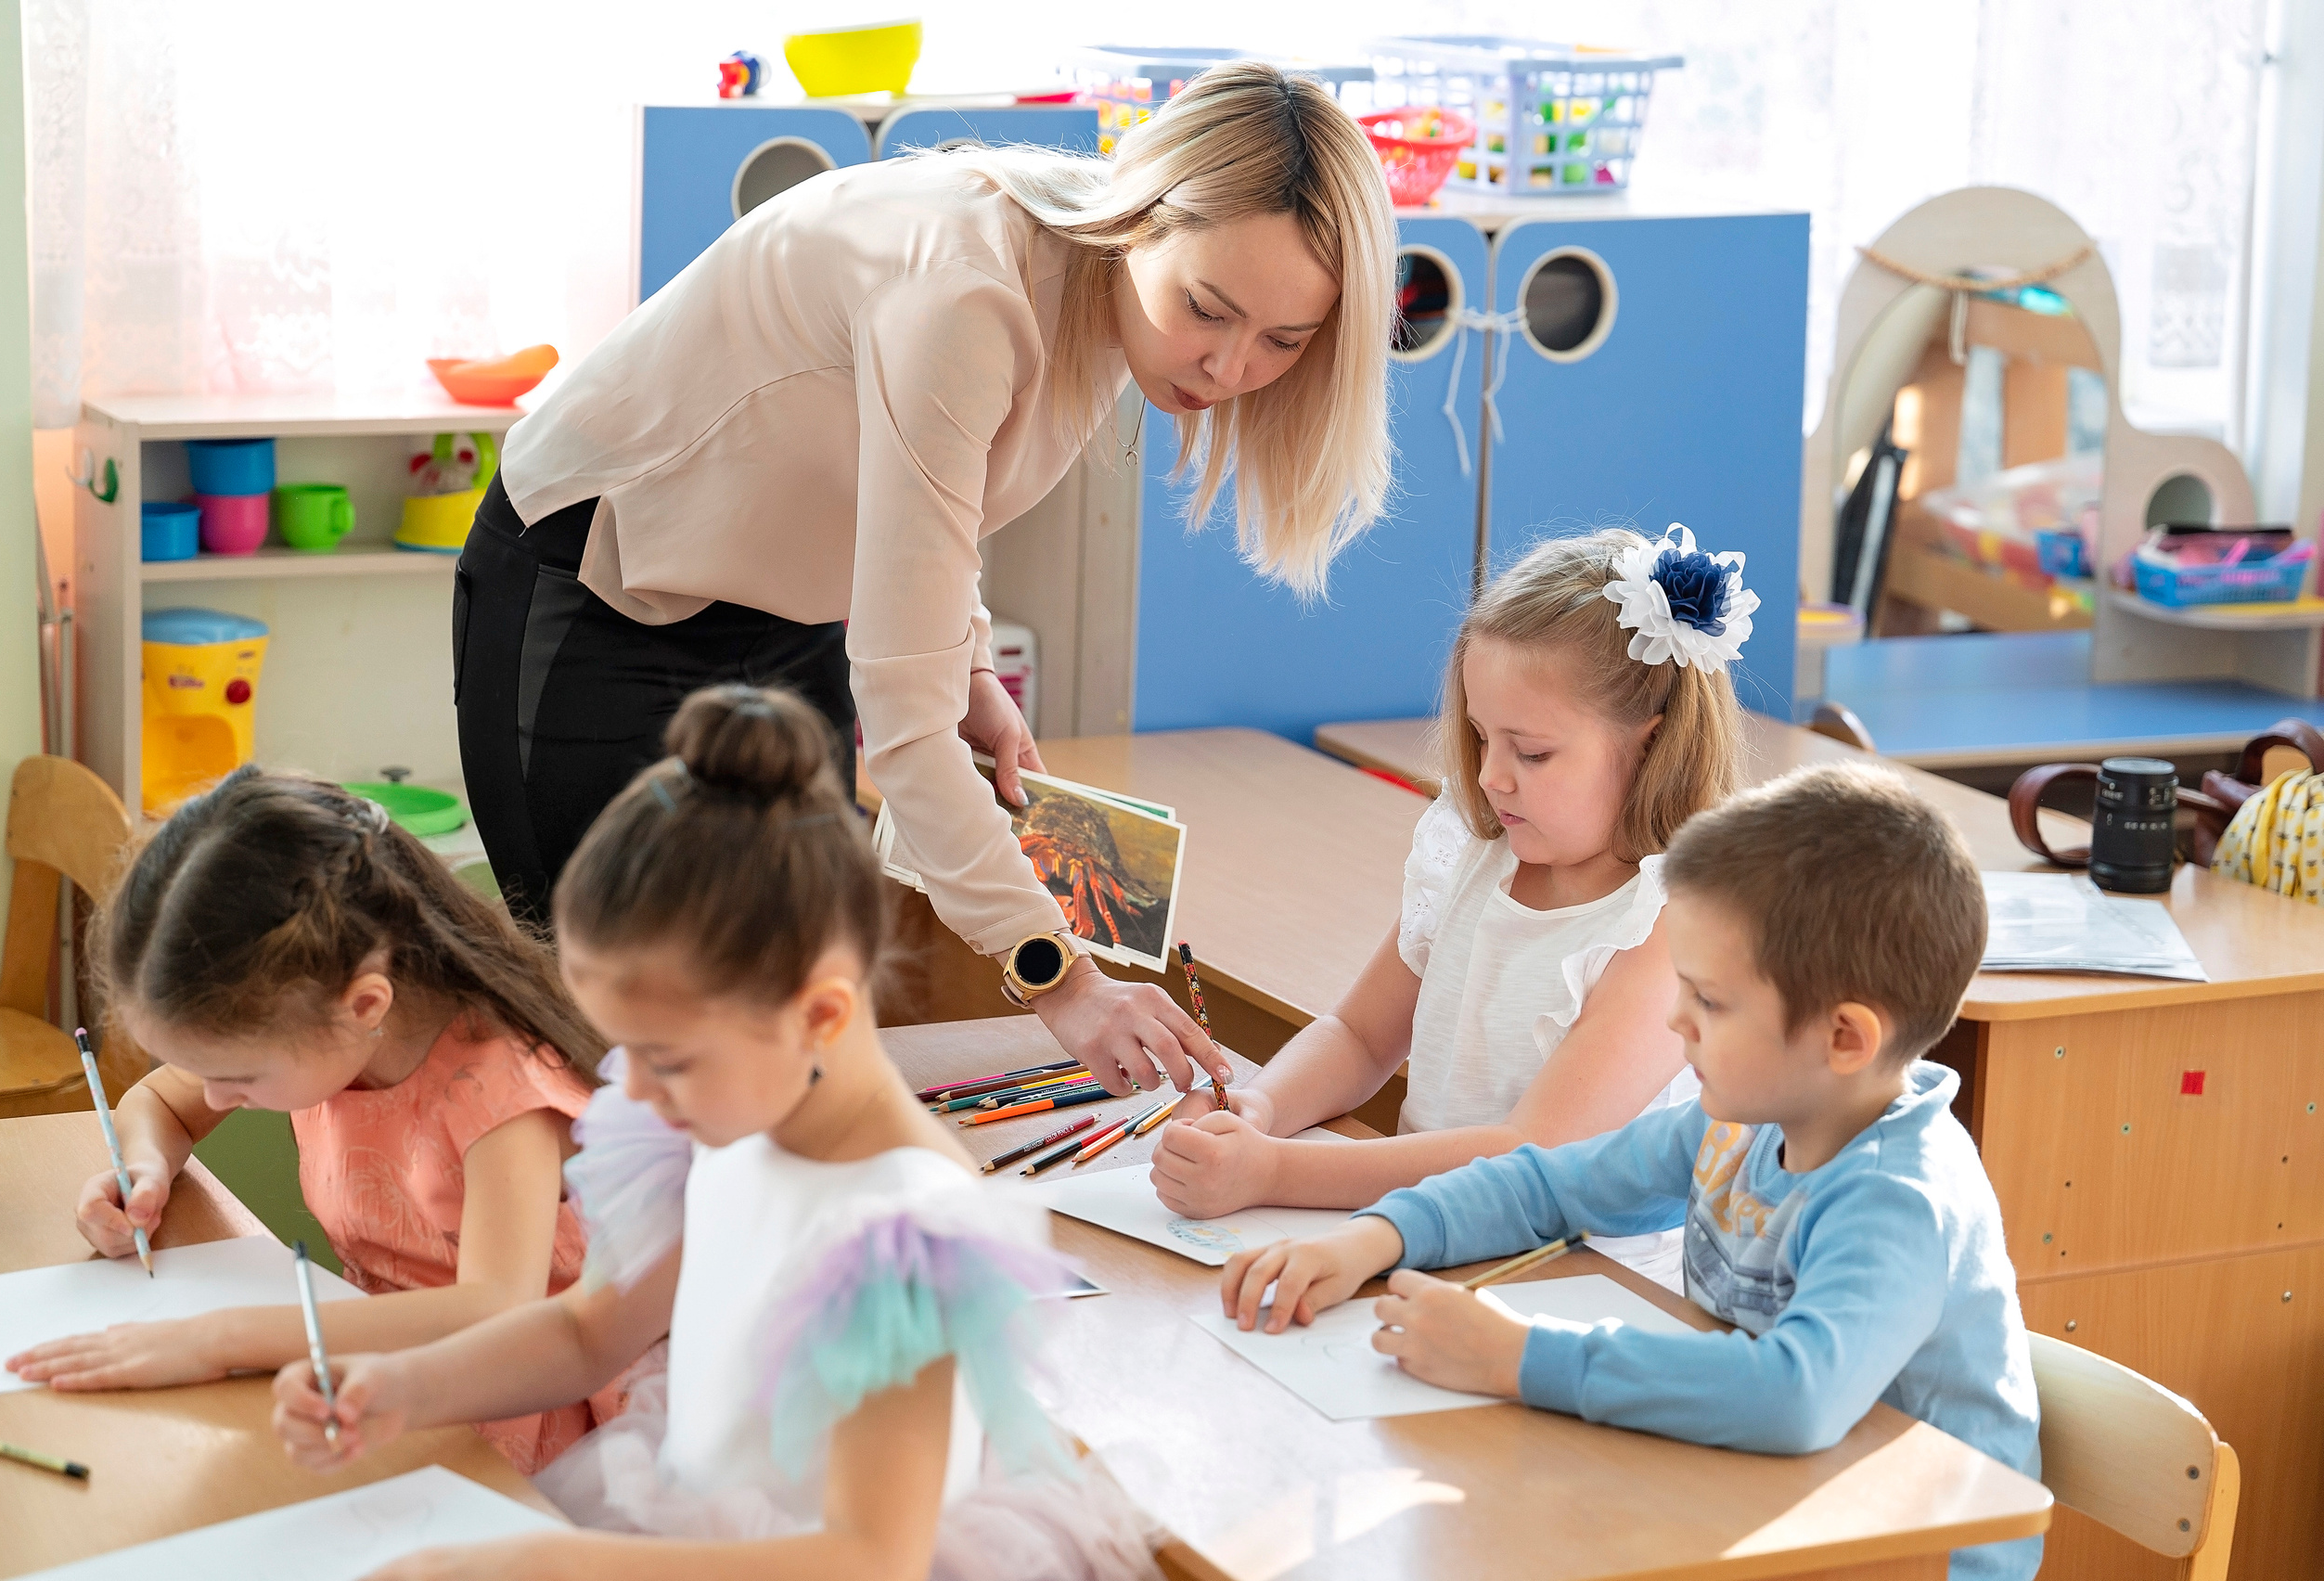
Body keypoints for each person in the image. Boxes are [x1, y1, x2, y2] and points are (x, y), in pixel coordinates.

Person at [456, 61, 1399, 1101]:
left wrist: (970, 670)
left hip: (785, 606)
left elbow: (932, 501)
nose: (1228, 370)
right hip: (599, 582)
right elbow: (902, 733)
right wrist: (1064, 981)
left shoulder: (1105, 302)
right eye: (1208, 310)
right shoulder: (969, 288)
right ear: (1139, 219)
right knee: (627, 1051)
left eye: (1283, 342)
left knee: (797, 1028)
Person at [270, 686, 1156, 1581]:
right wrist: (402, 1388)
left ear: (817, 1015)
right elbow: (585, 1336)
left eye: (671, 1058)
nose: (637, 1093)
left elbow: (869, 1557)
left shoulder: (902, 1240)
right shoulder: (714, 1125)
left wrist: (546, 1564)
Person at [1220, 762, 2042, 1581]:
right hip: (1761, 1501)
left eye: (1711, 1002)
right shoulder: (1740, 1123)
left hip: (1908, 1556)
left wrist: (1519, 1358)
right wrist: (1376, 1237)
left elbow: (1796, 1396)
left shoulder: (1899, 1196)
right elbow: (1545, 1185)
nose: (1676, 1019)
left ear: (1845, 1040)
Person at [1151, 526, 1751, 1291]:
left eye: (1530, 752)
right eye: (1479, 736)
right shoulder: (1476, 857)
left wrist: (1273, 1170)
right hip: (1425, 1241)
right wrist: (1259, 1108)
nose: (1492, 777)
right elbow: (1361, 1036)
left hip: (1577, 1287)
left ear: (1650, 744)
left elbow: (1528, 1157)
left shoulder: (1670, 925)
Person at [12, 769, 625, 1474]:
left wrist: (221, 1340)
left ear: (363, 1006)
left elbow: (492, 1314)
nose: (212, 1099)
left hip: (513, 1415)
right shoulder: (315, 1025)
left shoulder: (499, 1089)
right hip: (368, 1372)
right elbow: (158, 1104)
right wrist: (144, 1167)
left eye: (236, 1078)